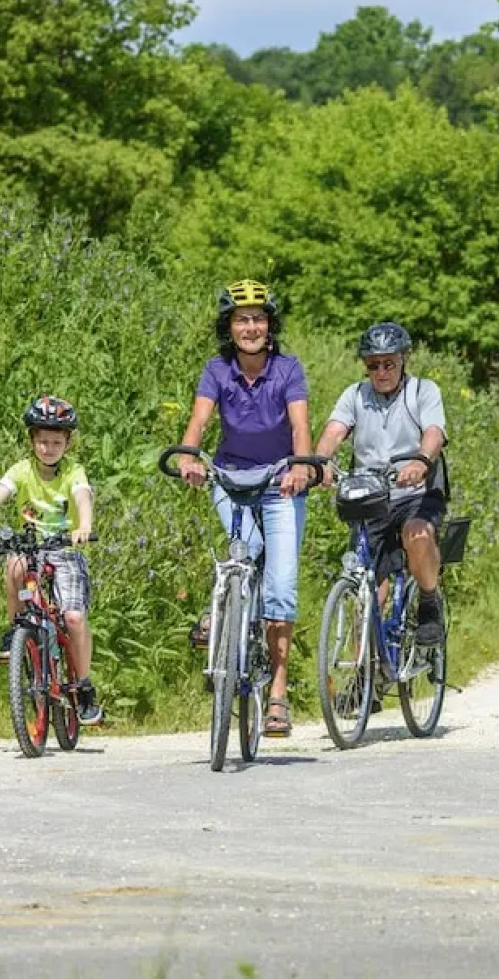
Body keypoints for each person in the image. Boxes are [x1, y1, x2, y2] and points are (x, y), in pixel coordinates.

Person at [174, 280, 314, 738]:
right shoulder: (217, 370)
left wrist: (300, 468)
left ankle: (277, 693)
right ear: (228, 327)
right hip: (231, 479)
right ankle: (225, 608)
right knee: (243, 551)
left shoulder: (288, 369)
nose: (250, 327)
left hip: (280, 482)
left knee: (281, 589)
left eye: (258, 318)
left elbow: (300, 426)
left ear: (270, 325)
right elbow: (199, 421)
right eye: (241, 319)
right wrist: (190, 456)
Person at [0, 395, 103, 725]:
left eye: (56, 442)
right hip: (31, 548)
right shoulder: (21, 471)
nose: (48, 448)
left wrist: (84, 526)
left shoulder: (74, 471)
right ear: (32, 441)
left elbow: (82, 497)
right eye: (42, 441)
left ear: (68, 443)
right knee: (14, 563)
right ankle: (17, 629)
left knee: (72, 617)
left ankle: (83, 686)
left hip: (65, 549)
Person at [315, 321, 450, 648]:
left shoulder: (423, 390)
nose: (381, 371)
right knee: (366, 583)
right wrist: (321, 462)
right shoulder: (355, 395)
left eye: (389, 363)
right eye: (373, 365)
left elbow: (434, 432)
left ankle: (429, 602)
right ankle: (367, 677)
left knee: (416, 532)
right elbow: (334, 431)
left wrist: (421, 460)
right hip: (371, 493)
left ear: (404, 360)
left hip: (418, 490)